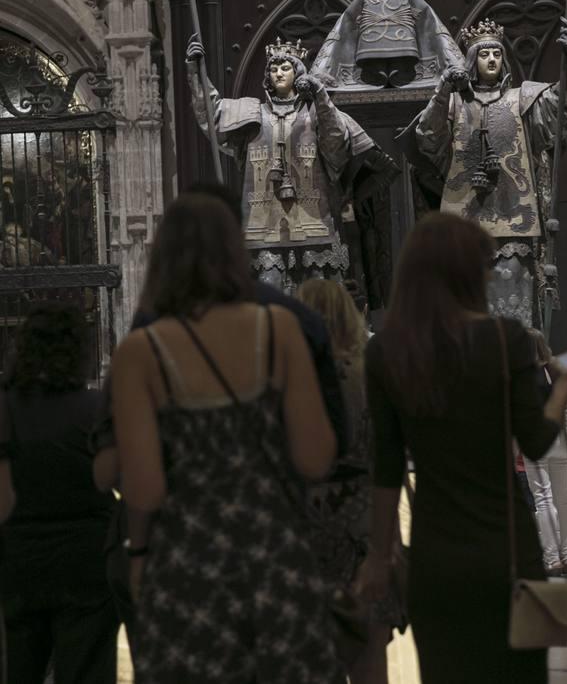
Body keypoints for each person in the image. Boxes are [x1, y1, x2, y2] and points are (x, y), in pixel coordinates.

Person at [111, 192, 344, 684]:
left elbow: (145, 489)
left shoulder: (141, 352)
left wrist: (138, 554)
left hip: (188, 568)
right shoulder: (277, 329)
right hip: (275, 558)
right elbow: (316, 456)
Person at [356, 212, 567, 684]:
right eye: (485, 267)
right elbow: (538, 438)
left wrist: (379, 558)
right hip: (509, 552)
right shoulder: (505, 341)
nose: (490, 276)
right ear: (465, 272)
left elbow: (384, 469)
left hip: (436, 558)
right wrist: (563, 383)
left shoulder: (387, 353)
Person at [398, 16, 567, 328]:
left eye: (497, 54)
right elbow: (427, 136)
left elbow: (564, 106)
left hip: (514, 226)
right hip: (463, 228)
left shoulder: (522, 100)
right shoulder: (455, 104)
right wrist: (444, 87)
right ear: (472, 60)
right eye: (484, 54)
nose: (491, 60)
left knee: (515, 320)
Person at [186, 36, 397, 294]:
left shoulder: (317, 114)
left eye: (285, 67)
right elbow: (213, 113)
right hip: (263, 230)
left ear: (298, 72)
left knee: (320, 305)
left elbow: (337, 145)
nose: (278, 73)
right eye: (273, 69)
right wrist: (196, 70)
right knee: (269, 307)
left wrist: (319, 94)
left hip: (314, 226)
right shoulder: (252, 113)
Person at [0, 302, 118, 684]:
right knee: (87, 670)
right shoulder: (96, 409)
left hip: (21, 560)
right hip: (87, 560)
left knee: (20, 669)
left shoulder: (6, 410)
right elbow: (118, 481)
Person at [297, 279, 394, 684]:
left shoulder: (292, 377)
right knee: (369, 654)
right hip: (363, 518)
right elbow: (388, 453)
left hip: (307, 519)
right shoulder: (370, 371)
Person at [524, 328, 567, 577]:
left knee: (543, 500)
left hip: (537, 442)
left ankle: (552, 558)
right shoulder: (555, 371)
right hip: (559, 440)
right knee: (563, 499)